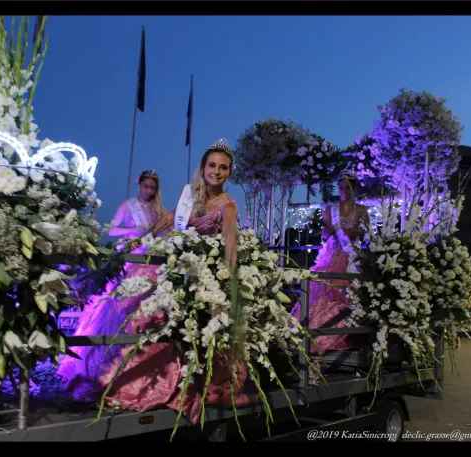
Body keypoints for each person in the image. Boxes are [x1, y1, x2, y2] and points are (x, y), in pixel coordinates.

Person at [94, 138, 258, 424]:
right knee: (144, 316)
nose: (216, 172)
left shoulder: (227, 206)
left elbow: (230, 247)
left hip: (202, 276)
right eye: (211, 165)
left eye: (223, 167)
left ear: (230, 172)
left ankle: (174, 383)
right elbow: (168, 221)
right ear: (203, 167)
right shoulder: (190, 196)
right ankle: (140, 382)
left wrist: (231, 288)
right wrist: (137, 245)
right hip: (175, 267)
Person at [56, 170, 169, 400]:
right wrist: (134, 232)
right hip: (129, 261)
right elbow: (113, 229)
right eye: (146, 186)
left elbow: (168, 228)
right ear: (139, 185)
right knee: (120, 309)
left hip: (151, 262)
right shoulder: (128, 206)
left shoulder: (159, 209)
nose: (149, 191)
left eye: (152, 188)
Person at [290, 172, 370, 356]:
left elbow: (366, 234)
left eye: (347, 187)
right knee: (321, 291)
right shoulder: (330, 210)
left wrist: (352, 231)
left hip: (351, 256)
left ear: (354, 188)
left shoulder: (361, 210)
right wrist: (328, 229)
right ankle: (307, 334)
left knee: (348, 294)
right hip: (331, 255)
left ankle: (343, 336)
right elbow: (325, 234)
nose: (343, 191)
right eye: (341, 187)